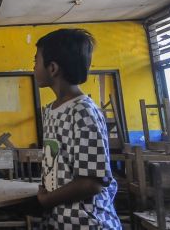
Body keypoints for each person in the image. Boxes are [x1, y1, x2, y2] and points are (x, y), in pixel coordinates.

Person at [33, 29, 121, 229]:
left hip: (88, 223)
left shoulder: (83, 111)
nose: (34, 67)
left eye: (36, 61)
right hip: (60, 220)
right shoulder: (51, 111)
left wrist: (47, 200)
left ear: (52, 68)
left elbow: (92, 182)